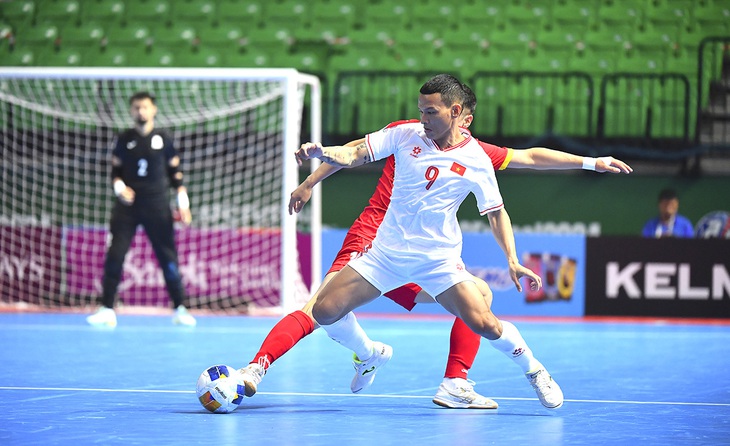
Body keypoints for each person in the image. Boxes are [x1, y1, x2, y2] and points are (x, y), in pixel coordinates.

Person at [237, 84, 632, 410]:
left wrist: (589, 163)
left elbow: (509, 192)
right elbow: (354, 151)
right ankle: (368, 355)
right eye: (421, 111)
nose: (422, 118)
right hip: (382, 249)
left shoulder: (477, 157)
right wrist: (319, 161)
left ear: (458, 113)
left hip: (436, 260)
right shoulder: (406, 133)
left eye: (430, 112)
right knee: (322, 309)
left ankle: (524, 370)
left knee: (484, 316)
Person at [86, 91, 196, 328]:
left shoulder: (164, 139)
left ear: (153, 109)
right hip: (127, 208)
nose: (141, 111)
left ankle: (179, 308)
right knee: (115, 255)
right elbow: (115, 172)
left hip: (157, 207)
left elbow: (176, 178)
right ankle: (107, 308)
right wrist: (119, 188)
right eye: (136, 107)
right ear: (131, 111)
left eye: (145, 107)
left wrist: (183, 206)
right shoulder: (124, 138)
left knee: (168, 259)